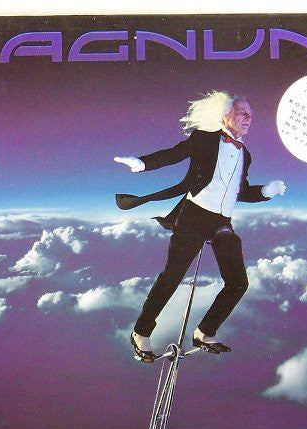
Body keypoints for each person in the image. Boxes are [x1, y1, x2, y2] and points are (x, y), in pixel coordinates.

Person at [114, 91, 286, 362]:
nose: (248, 118)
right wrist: (143, 163)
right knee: (172, 277)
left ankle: (205, 332)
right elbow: (174, 154)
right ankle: (140, 332)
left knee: (238, 282)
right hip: (193, 217)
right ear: (225, 114)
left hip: (221, 223)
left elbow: (240, 192)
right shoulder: (205, 139)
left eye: (251, 115)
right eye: (242, 112)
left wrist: (265, 191)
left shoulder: (246, 155)